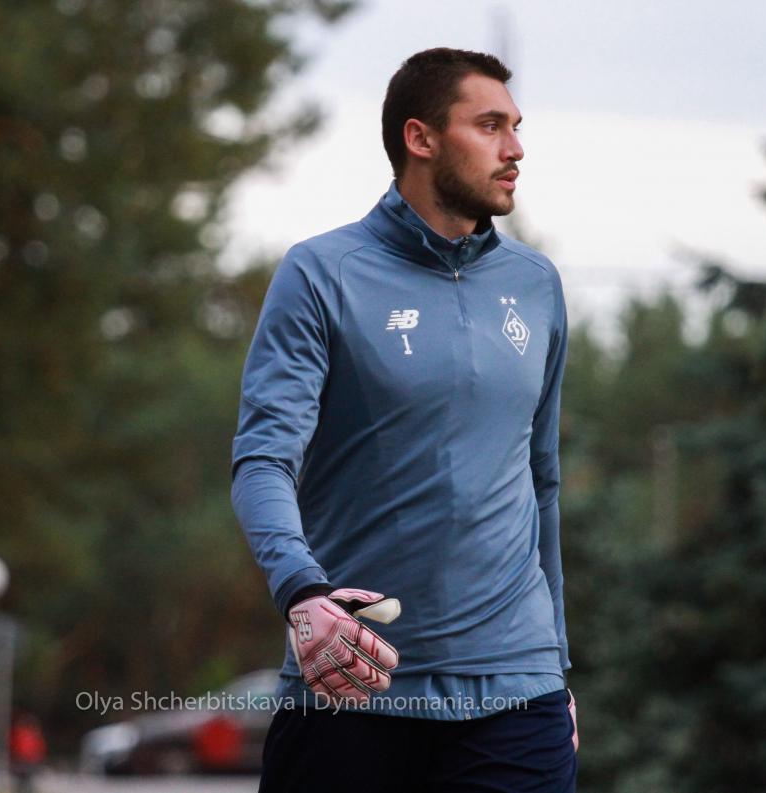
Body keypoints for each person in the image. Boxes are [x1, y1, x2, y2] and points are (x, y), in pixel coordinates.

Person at [231, 47, 578, 792]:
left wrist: (555, 665)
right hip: (350, 681)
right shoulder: (320, 274)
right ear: (420, 138)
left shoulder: (536, 284)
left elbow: (541, 480)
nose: (515, 149)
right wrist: (302, 593)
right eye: (490, 126)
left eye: (515, 127)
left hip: (517, 697)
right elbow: (263, 461)